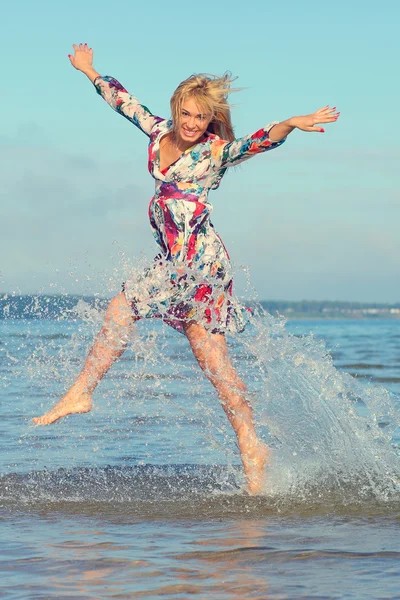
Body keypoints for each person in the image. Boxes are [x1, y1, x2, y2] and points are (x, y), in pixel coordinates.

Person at [33, 43, 339, 494]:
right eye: (187, 114)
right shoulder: (159, 133)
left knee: (122, 308)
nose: (193, 124)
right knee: (212, 360)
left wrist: (290, 124)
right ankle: (251, 446)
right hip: (178, 262)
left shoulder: (214, 151)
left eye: (202, 117)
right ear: (177, 110)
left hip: (198, 262)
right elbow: (122, 100)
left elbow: (255, 141)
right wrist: (90, 70)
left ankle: (81, 392)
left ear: (210, 118)